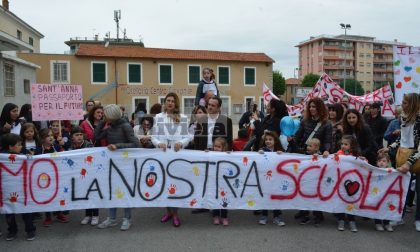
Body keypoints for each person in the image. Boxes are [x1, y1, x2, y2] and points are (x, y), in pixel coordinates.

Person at [378, 93, 420, 231]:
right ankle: (398, 217)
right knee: (401, 189)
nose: (402, 105)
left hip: (416, 158)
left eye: (405, 103)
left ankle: (418, 219)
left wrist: (409, 163)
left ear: (413, 104)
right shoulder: (403, 118)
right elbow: (401, 139)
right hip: (402, 155)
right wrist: (388, 148)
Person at [96, 104, 140, 230]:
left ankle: (127, 219)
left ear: (111, 115)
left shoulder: (126, 126)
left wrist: (118, 146)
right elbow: (96, 137)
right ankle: (112, 219)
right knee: (112, 191)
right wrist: (101, 123)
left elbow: (135, 144)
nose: (103, 116)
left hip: (126, 164)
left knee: (125, 191)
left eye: (105, 115)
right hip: (112, 164)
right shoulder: (110, 126)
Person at [151, 93, 192, 227]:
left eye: (172, 101)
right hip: (162, 155)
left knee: (175, 185)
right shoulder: (158, 117)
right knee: (164, 185)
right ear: (164, 103)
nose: (170, 103)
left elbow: (188, 137)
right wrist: (158, 144)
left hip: (177, 155)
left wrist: (181, 143)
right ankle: (168, 212)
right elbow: (153, 137)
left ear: (176, 103)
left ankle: (175, 214)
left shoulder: (183, 118)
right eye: (168, 100)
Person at [291, 97, 332, 226]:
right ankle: (303, 211)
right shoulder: (305, 121)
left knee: (315, 186)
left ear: (320, 108)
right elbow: (298, 136)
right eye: (310, 106)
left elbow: (328, 140)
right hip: (304, 156)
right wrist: (291, 141)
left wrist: (326, 150)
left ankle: (318, 213)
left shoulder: (327, 124)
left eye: (314, 106)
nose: (311, 109)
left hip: (317, 159)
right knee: (303, 184)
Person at [1, 133, 36, 241]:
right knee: (9, 210)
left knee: (25, 209)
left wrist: (30, 157)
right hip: (7, 190)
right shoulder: (2, 158)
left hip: (22, 189)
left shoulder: (22, 155)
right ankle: (13, 230)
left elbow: (30, 161)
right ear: (11, 147)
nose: (22, 146)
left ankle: (28, 229)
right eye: (19, 144)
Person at [35, 128, 69, 226]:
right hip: (44, 177)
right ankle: (48, 216)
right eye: (47, 136)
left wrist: (63, 148)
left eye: (51, 135)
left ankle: (59, 214)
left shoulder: (57, 147)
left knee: (58, 195)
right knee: (47, 196)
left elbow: (64, 157)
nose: (50, 137)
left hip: (56, 176)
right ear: (42, 139)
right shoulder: (38, 150)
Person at [257, 131, 285, 226]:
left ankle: (277, 216)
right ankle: (264, 215)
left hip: (277, 179)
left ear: (275, 141)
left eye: (270, 139)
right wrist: (259, 153)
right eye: (266, 140)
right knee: (265, 196)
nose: (268, 141)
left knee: (276, 197)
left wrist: (282, 154)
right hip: (266, 179)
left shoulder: (279, 150)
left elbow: (285, 161)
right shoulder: (262, 150)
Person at [334, 135, 361, 232]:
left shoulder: (355, 156)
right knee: (341, 200)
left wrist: (363, 160)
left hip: (352, 182)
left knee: (351, 200)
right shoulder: (339, 153)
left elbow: (362, 165)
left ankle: (351, 220)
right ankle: (341, 219)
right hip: (341, 182)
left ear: (352, 146)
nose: (343, 146)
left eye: (346, 144)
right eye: (342, 144)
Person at [211, 137, 231, 226]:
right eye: (215, 146)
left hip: (224, 183)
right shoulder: (210, 154)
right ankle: (215, 216)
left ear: (223, 148)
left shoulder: (226, 155)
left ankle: (224, 216)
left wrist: (230, 155)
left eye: (219, 147)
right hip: (213, 182)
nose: (216, 148)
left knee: (224, 199)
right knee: (215, 198)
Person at [374, 153, 394, 232]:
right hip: (377, 194)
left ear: (388, 162)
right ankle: (378, 223)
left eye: (384, 161)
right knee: (377, 207)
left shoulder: (391, 171)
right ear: (376, 162)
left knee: (387, 207)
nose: (381, 162)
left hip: (387, 195)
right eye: (379, 161)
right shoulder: (375, 171)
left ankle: (386, 223)